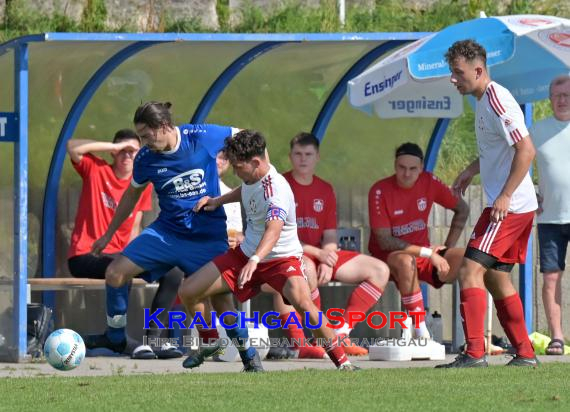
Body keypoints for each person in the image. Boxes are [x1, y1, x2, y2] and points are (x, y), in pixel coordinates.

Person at [87, 101, 257, 371]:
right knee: (114, 273)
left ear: (164, 126)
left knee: (222, 300)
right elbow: (132, 195)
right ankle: (116, 336)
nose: (143, 142)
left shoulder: (200, 136)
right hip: (166, 233)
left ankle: (250, 358)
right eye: (140, 135)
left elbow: (249, 136)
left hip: (207, 236)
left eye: (146, 135)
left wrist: (259, 170)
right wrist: (108, 234)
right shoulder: (146, 159)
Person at [181, 129, 359, 371]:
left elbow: (273, 230)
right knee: (189, 291)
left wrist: (255, 259)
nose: (235, 172)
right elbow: (244, 192)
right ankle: (212, 341)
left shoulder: (276, 191)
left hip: (281, 260)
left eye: (238, 167)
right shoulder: (252, 178)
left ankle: (344, 363)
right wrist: (217, 201)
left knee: (305, 305)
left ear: (255, 162)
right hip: (245, 255)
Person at [437, 40, 538, 368]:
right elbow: (501, 149)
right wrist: (471, 169)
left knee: (469, 271)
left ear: (478, 71)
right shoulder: (483, 100)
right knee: (495, 277)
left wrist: (506, 196)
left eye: (458, 73)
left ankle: (475, 353)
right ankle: (525, 353)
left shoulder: (496, 100)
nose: (454, 79)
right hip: (510, 205)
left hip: (508, 206)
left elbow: (526, 150)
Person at [267, 132, 389, 357]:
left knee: (380, 270)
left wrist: (329, 258)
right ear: (290, 157)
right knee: (306, 271)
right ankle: (309, 342)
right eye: (298, 154)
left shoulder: (325, 189)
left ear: (317, 157)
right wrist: (319, 255)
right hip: (288, 252)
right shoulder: (279, 186)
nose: (303, 159)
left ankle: (340, 333)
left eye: (308, 154)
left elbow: (330, 235)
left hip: (319, 252)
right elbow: (278, 234)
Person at [66, 129, 183, 359]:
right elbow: (72, 146)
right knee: (121, 271)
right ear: (113, 153)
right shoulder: (96, 170)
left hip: (119, 255)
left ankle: (155, 340)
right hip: (85, 256)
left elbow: (134, 229)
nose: (127, 156)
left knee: (173, 273)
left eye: (133, 151)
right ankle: (118, 338)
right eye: (122, 151)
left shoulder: (142, 185)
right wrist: (113, 146)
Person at [368, 142, 468, 338]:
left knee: (471, 259)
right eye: (402, 168)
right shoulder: (379, 190)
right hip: (388, 259)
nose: (407, 174)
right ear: (395, 166)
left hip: (425, 256)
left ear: (421, 168)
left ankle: (475, 338)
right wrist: (429, 253)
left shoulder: (429, 182)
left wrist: (448, 247)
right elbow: (384, 241)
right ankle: (421, 330)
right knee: (406, 261)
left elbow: (462, 209)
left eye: (413, 168)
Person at [531, 75, 570, 356]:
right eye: (557, 95)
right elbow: (514, 160)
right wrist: (529, 193)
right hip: (549, 219)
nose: (563, 99)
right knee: (550, 280)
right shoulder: (537, 130)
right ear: (549, 99)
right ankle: (557, 337)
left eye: (567, 94)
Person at [216, 150, 244, 248]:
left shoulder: (232, 196)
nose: (218, 162)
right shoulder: (189, 190)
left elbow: (238, 233)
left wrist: (237, 239)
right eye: (216, 156)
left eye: (223, 158)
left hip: (222, 256)